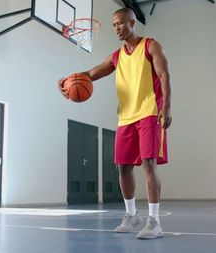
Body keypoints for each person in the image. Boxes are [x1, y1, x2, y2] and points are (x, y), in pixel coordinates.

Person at [58, 7, 172, 240]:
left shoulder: (151, 46)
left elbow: (164, 75)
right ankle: (132, 215)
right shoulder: (117, 56)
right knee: (123, 166)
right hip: (126, 117)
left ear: (132, 22)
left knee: (149, 164)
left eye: (121, 23)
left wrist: (166, 107)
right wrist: (69, 80)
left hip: (149, 113)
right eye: (114, 25)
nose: (117, 28)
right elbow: (91, 73)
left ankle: (154, 221)